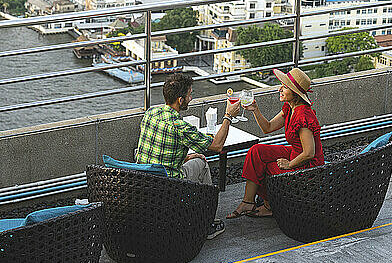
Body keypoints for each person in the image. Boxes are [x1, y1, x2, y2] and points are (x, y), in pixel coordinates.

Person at [136, 72, 240, 238]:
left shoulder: (150, 113)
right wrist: (228, 116)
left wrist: (185, 157)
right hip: (169, 186)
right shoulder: (181, 127)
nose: (191, 98)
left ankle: (191, 210)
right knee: (202, 163)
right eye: (190, 95)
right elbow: (217, 146)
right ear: (180, 100)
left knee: (194, 157)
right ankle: (207, 223)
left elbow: (159, 151)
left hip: (143, 181)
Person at [227, 67, 324, 219]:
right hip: (295, 154)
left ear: (295, 93)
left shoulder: (302, 116)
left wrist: (289, 165)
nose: (280, 89)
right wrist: (255, 110)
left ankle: (269, 205)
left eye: (285, 87)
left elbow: (309, 153)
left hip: (308, 167)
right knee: (256, 151)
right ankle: (248, 201)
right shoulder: (290, 108)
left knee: (266, 167)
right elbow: (268, 127)